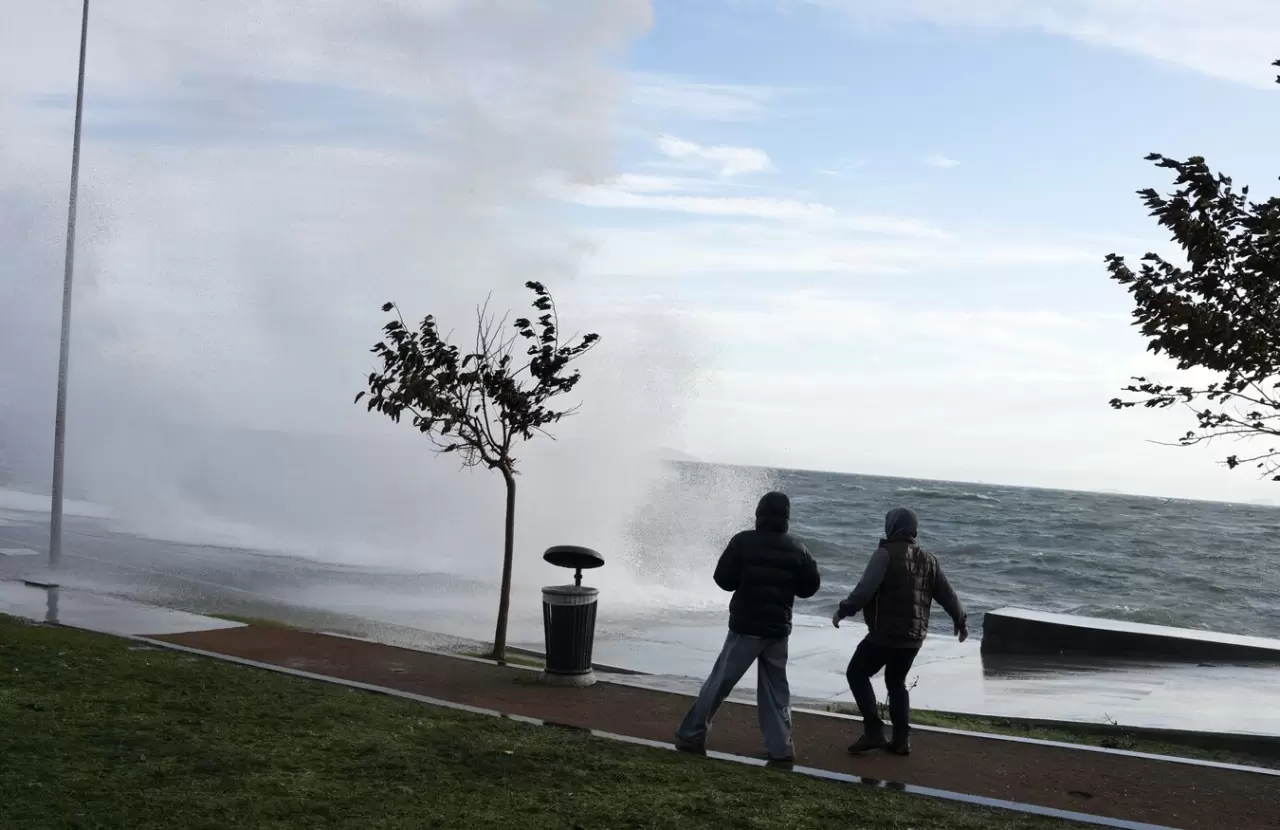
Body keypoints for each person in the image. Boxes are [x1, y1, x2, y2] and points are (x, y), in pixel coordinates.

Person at [675, 491, 821, 766]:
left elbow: (723, 579)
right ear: (786, 518)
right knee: (777, 690)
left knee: (720, 683)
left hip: (746, 627)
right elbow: (810, 587)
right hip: (778, 630)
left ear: (759, 514)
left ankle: (691, 734)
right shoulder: (798, 548)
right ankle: (781, 748)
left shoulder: (743, 541)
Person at [832, 506, 967, 756]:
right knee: (897, 683)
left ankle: (873, 731)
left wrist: (843, 610)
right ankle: (901, 740)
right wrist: (960, 621)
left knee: (857, 673)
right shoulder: (929, 561)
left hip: (884, 634)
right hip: (913, 638)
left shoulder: (885, 554)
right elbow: (948, 596)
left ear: (891, 526)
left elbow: (865, 590)